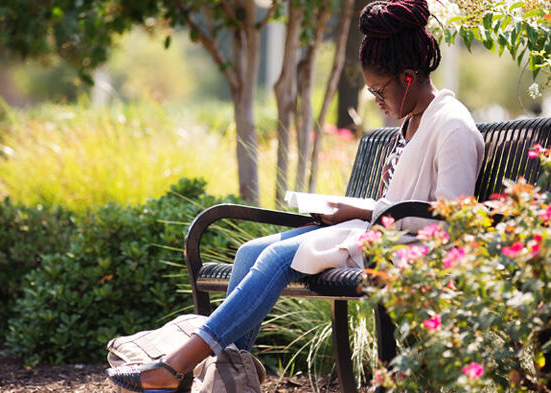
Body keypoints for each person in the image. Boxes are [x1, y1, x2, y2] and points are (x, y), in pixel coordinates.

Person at [106, 0, 485, 391]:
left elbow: (450, 221)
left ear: (407, 78)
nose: (376, 100)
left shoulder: (452, 126)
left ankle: (175, 366)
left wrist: (365, 213)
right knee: (248, 253)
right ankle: (227, 380)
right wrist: (349, 209)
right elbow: (403, 202)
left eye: (378, 90)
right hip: (373, 232)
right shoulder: (413, 119)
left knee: (275, 256)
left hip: (401, 246)